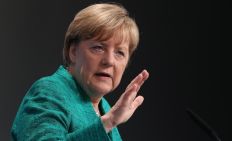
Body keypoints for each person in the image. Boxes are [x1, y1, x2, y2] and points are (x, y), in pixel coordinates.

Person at [11, 3, 149, 141]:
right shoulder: (49, 91)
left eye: (120, 52)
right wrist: (109, 121)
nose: (109, 61)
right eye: (98, 47)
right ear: (73, 52)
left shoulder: (104, 107)